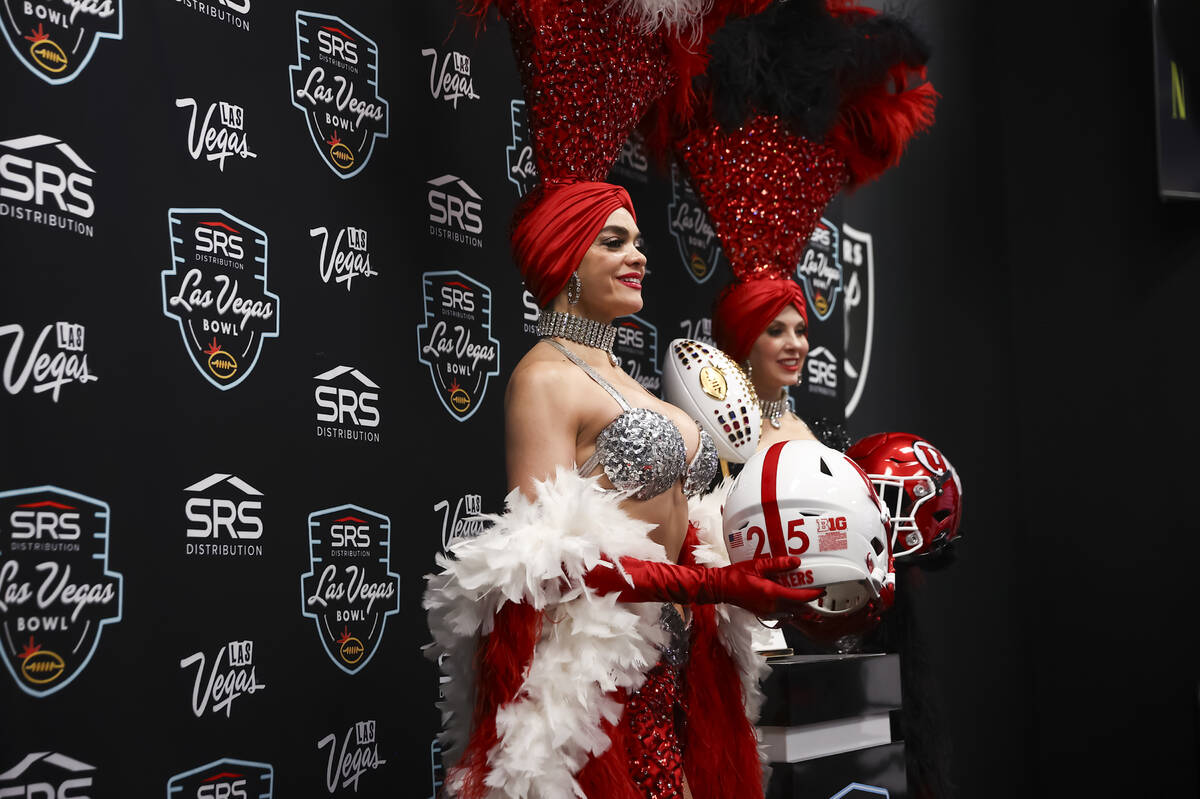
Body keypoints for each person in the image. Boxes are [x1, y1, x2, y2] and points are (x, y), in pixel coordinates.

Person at [424, 180, 825, 799]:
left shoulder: (622, 377)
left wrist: (738, 571)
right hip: (604, 680)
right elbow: (550, 564)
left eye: (637, 242)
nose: (638, 256)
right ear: (566, 261)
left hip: (682, 662)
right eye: (614, 242)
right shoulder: (544, 378)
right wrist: (714, 585)